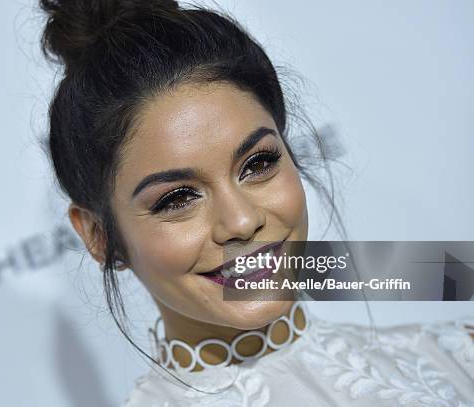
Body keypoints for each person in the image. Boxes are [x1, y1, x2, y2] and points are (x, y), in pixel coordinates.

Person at [38, 0, 474, 405]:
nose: (242, 221)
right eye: (177, 198)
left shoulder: (456, 359)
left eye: (258, 163)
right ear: (98, 236)